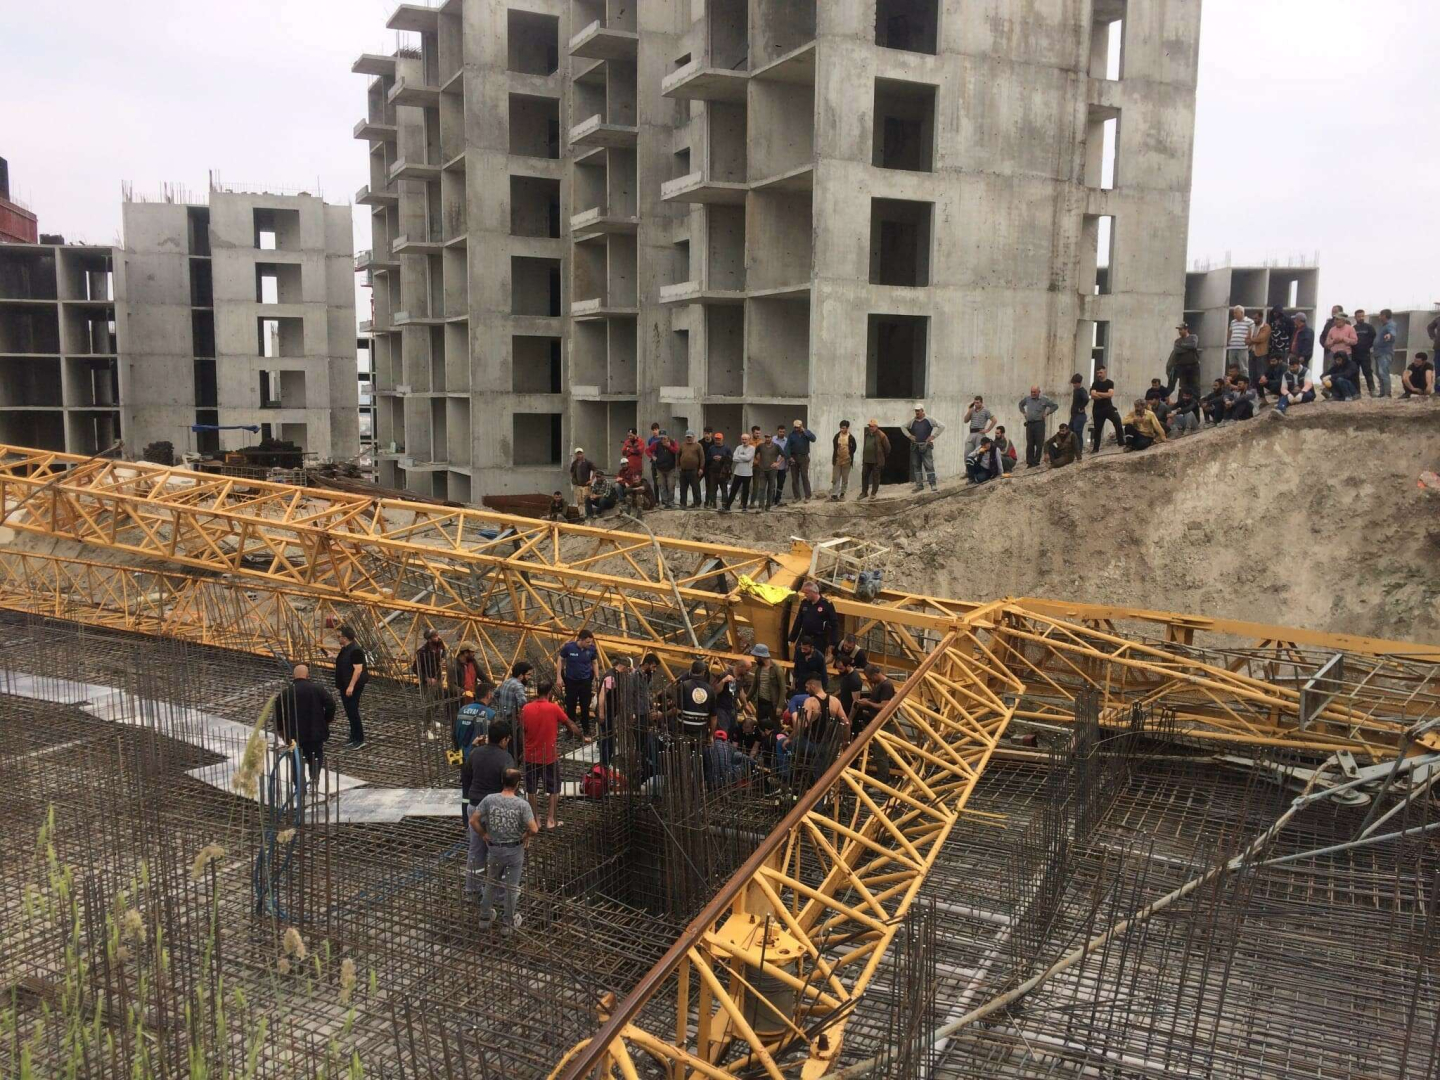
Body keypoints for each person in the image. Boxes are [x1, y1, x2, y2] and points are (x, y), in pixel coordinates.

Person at [473, 767, 538, 935]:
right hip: (514, 850)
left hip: (495, 849)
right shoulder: (522, 805)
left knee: (491, 883)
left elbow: (473, 820)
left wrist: (484, 834)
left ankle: (484, 918)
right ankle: (507, 924)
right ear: (517, 784)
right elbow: (534, 828)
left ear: (502, 781)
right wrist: (525, 836)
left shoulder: (489, 799)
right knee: (511, 887)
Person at [522, 681, 586, 829]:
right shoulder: (553, 708)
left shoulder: (526, 708)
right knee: (554, 788)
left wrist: (522, 751)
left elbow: (523, 730)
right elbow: (570, 724)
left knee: (531, 789)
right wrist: (582, 736)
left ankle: (536, 819)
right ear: (550, 693)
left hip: (530, 755)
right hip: (549, 756)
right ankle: (550, 820)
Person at [462, 720, 514, 900]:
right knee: (498, 852)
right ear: (504, 740)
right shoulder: (506, 758)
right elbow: (510, 787)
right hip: (494, 810)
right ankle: (498, 894)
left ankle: (471, 890)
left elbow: (466, 777)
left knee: (475, 850)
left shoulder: (475, 753)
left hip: (474, 807)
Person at [274, 663, 336, 782]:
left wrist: (282, 731)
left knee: (296, 760)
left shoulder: (285, 693)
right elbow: (331, 705)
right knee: (315, 757)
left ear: (294, 676)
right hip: (315, 733)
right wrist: (326, 720)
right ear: (308, 675)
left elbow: (278, 714)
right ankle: (314, 779)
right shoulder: (317, 689)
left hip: (293, 734)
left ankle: (299, 785)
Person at [792, 676, 847, 788]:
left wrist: (794, 718)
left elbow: (803, 725)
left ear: (813, 686)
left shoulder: (810, 701)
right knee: (820, 774)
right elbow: (846, 722)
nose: (806, 690)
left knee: (788, 744)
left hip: (811, 744)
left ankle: (790, 779)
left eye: (807, 687)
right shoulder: (835, 701)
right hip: (827, 745)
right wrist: (846, 741)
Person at [556, 628, 599, 737]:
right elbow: (560, 659)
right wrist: (559, 677)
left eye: (591, 642)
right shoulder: (569, 647)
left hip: (585, 681)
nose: (590, 644)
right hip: (571, 681)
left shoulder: (591, 649)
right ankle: (571, 730)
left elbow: (594, 662)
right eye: (587, 642)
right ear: (581, 640)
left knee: (585, 706)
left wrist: (597, 678)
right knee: (571, 706)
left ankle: (586, 729)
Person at [594, 655, 632, 769]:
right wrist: (601, 713)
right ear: (624, 667)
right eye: (627, 669)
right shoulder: (610, 677)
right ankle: (604, 763)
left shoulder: (616, 674)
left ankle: (605, 762)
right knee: (608, 738)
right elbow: (601, 697)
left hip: (610, 711)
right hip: (606, 712)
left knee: (609, 737)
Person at [334, 624, 367, 749]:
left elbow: (358, 670)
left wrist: (351, 686)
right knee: (349, 711)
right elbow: (346, 661)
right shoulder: (346, 649)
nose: (338, 638)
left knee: (353, 712)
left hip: (353, 686)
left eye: (339, 636)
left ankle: (359, 739)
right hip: (344, 684)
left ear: (345, 638)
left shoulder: (356, 650)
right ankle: (353, 736)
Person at [789, 579, 840, 653]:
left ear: (814, 592)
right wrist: (792, 638)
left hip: (818, 639)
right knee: (799, 655)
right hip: (804, 637)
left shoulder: (827, 605)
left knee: (816, 657)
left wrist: (833, 642)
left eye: (806, 593)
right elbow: (798, 621)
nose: (805, 595)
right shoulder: (804, 603)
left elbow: (834, 624)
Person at [903, 402, 945, 492]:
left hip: (926, 446)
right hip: (915, 446)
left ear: (922, 410)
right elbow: (903, 427)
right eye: (916, 411)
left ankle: (933, 484)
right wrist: (909, 436)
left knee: (929, 466)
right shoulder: (912, 421)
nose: (917, 412)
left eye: (918, 411)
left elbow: (942, 426)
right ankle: (919, 485)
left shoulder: (929, 419)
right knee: (916, 466)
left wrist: (933, 436)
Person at [746, 643, 787, 732]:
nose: (755, 659)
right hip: (761, 702)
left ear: (761, 657)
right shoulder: (759, 669)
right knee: (760, 725)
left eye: (756, 657)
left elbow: (783, 689)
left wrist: (780, 706)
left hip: (772, 704)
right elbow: (754, 687)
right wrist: (745, 701)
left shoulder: (777, 669)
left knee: (775, 726)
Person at [674, 658, 717, 740]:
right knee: (697, 747)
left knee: (681, 747)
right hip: (700, 730)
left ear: (691, 670)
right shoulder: (710, 690)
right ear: (703, 672)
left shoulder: (683, 685)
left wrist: (663, 714)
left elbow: (678, 710)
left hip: (683, 728)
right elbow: (713, 717)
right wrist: (711, 735)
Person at [414, 628, 447, 734]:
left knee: (438, 700)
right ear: (429, 639)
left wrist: (443, 659)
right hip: (428, 682)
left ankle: (430, 719)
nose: (438, 637)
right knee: (429, 704)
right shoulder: (422, 652)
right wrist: (427, 678)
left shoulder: (439, 644)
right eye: (435, 636)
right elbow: (415, 668)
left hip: (438, 679)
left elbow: (444, 652)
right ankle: (425, 728)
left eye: (437, 635)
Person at [448, 641, 483, 728]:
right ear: (466, 653)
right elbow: (451, 685)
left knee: (471, 723)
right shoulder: (454, 666)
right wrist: (463, 692)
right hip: (458, 701)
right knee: (459, 724)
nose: (474, 654)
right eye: (472, 652)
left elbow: (482, 675)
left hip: (471, 698)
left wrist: (492, 685)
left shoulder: (472, 662)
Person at [495, 661, 533, 738]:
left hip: (501, 717)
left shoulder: (506, 681)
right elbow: (523, 703)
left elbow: (495, 694)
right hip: (511, 720)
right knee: (513, 741)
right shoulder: (518, 685)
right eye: (528, 674)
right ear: (521, 675)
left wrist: (500, 704)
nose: (530, 677)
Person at [1089, 366, 1122, 452]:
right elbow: (1093, 396)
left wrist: (1098, 393)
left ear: (1105, 372)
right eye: (1097, 373)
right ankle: (1095, 448)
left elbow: (1110, 395)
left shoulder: (1109, 383)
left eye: (1101, 373)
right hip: (1097, 409)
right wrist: (1105, 395)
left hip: (1108, 407)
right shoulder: (1095, 383)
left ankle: (1121, 442)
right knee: (1097, 429)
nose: (1099, 375)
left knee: (1117, 421)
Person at [785, 419, 818, 501]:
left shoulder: (806, 433)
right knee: (794, 478)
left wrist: (805, 431)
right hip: (794, 457)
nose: (796, 429)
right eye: (795, 427)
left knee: (804, 476)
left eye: (798, 427)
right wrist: (789, 457)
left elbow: (813, 439)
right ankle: (797, 497)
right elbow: (787, 447)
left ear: (801, 426)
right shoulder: (791, 435)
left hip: (804, 457)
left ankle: (808, 496)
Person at [723, 432, 755, 512]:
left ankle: (744, 507)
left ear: (749, 440)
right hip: (738, 472)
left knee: (745, 490)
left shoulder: (752, 448)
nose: (744, 441)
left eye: (745, 439)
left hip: (747, 473)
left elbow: (748, 458)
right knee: (733, 489)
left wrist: (739, 457)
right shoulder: (738, 448)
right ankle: (727, 506)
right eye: (742, 439)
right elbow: (734, 458)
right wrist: (743, 458)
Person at [1167, 323, 1202, 397]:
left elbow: (1193, 345)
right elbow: (1177, 350)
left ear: (1186, 329)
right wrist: (1188, 348)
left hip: (1193, 365)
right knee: (1184, 385)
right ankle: (1183, 399)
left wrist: (1183, 345)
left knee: (1195, 385)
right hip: (1182, 366)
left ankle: (1196, 400)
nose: (1179, 331)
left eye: (1181, 329)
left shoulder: (1193, 337)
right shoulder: (1177, 341)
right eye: (1179, 330)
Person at [753, 426, 783, 511]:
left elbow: (784, 455)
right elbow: (755, 454)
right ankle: (761, 506)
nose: (767, 439)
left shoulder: (776, 446)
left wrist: (778, 463)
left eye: (769, 437)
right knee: (762, 488)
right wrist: (759, 461)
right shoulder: (761, 446)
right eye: (766, 437)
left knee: (770, 488)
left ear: (771, 438)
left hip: (772, 471)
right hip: (762, 470)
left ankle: (768, 506)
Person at [647, 428, 678, 508]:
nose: (662, 440)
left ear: (667, 437)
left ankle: (671, 502)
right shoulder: (656, 444)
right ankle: (665, 502)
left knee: (671, 486)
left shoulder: (673, 442)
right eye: (661, 438)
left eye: (664, 438)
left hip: (671, 469)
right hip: (660, 469)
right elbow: (647, 450)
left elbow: (677, 451)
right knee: (662, 486)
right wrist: (652, 457)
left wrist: (669, 446)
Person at [860, 419, 890, 500]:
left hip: (876, 461)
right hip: (866, 460)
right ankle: (864, 492)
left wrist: (881, 457)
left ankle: (873, 493)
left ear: (876, 427)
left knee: (875, 477)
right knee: (864, 476)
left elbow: (887, 448)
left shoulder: (881, 435)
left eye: (872, 426)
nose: (870, 428)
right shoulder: (867, 434)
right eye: (869, 426)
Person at [1351, 310, 1377, 398]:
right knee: (1355, 373)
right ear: (1355, 317)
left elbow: (1373, 337)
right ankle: (1357, 392)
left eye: (1362, 316)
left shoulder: (1369, 327)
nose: (1361, 318)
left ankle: (1372, 390)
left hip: (1365, 354)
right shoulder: (1353, 328)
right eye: (1359, 316)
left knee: (1367, 372)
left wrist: (1367, 346)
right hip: (1355, 354)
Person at [703, 431, 732, 509]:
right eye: (716, 439)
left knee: (724, 490)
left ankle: (725, 506)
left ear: (722, 439)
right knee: (712, 489)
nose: (717, 440)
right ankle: (713, 504)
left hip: (723, 473)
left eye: (719, 439)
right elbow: (706, 458)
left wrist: (721, 458)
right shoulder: (711, 448)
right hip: (713, 472)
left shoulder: (727, 448)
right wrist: (713, 458)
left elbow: (730, 459)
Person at [676, 431, 704, 509]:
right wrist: (678, 466)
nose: (689, 438)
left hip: (694, 470)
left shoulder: (698, 446)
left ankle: (697, 504)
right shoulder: (682, 445)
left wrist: (701, 468)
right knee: (683, 488)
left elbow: (702, 457)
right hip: (683, 470)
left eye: (690, 437)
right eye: (687, 437)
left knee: (695, 488)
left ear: (693, 437)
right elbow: (678, 455)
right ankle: (683, 503)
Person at [1226, 307, 1254, 383]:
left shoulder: (1249, 322)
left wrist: (1249, 344)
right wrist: (1228, 341)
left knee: (1243, 368)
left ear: (1241, 313)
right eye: (1234, 313)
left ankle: (1245, 384)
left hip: (1242, 348)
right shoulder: (1233, 322)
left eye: (1236, 313)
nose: (1234, 314)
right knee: (1232, 368)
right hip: (1232, 347)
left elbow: (1252, 334)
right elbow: (1230, 331)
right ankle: (1234, 384)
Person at [830, 420, 856, 500]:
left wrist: (849, 454)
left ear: (847, 428)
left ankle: (842, 494)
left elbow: (854, 448)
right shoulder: (837, 436)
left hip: (847, 461)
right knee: (835, 478)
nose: (842, 429)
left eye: (843, 428)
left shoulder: (851, 437)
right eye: (841, 428)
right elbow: (835, 447)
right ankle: (834, 494)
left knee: (845, 478)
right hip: (837, 460)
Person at [1374, 309, 1398, 398]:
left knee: (1383, 372)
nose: (1379, 317)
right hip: (1378, 353)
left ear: (1384, 316)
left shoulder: (1391, 324)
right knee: (1379, 373)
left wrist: (1389, 335)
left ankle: (1387, 393)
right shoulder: (1383, 326)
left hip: (1385, 353)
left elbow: (1392, 332)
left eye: (1380, 315)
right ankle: (1382, 392)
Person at [834, 653, 864, 720]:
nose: (838, 670)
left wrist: (850, 718)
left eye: (841, 668)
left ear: (848, 666)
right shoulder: (844, 673)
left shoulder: (854, 680)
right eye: (837, 668)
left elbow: (856, 702)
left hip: (850, 712)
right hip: (843, 707)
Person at [1066, 373, 1088, 460]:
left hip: (1079, 416)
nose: (1074, 385)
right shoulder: (1076, 391)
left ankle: (1079, 452)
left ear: (1079, 383)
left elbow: (1086, 399)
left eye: (1075, 383)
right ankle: (1072, 451)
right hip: (1074, 416)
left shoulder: (1082, 391)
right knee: (1070, 432)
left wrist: (1081, 407)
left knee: (1078, 434)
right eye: (1073, 383)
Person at [1247, 315, 1272, 390]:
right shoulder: (1252, 327)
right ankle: (1252, 389)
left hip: (1261, 353)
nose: (1254, 320)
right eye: (1253, 318)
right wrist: (1252, 340)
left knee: (1261, 373)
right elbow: (1246, 340)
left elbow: (1261, 338)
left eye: (1256, 318)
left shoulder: (1266, 327)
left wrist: (1251, 340)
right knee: (1251, 373)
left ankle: (1261, 390)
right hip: (1251, 351)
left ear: (1261, 318)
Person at [772, 425, 790, 506]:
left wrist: (787, 464)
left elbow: (787, 453)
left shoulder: (787, 440)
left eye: (783, 432)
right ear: (777, 431)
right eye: (780, 431)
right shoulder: (773, 439)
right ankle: (771, 500)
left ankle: (778, 500)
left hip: (782, 466)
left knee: (780, 483)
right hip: (773, 465)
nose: (782, 433)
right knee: (772, 483)